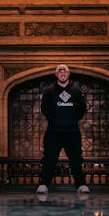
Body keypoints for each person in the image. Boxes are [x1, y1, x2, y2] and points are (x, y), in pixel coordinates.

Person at [36, 64, 89, 195]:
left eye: (65, 71)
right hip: (53, 131)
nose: (62, 73)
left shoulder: (77, 91)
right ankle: (43, 184)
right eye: (59, 72)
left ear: (68, 74)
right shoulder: (49, 91)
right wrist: (55, 120)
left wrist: (72, 120)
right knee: (49, 158)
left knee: (76, 158)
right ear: (56, 75)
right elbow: (44, 109)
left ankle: (81, 185)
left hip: (72, 131)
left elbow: (82, 109)